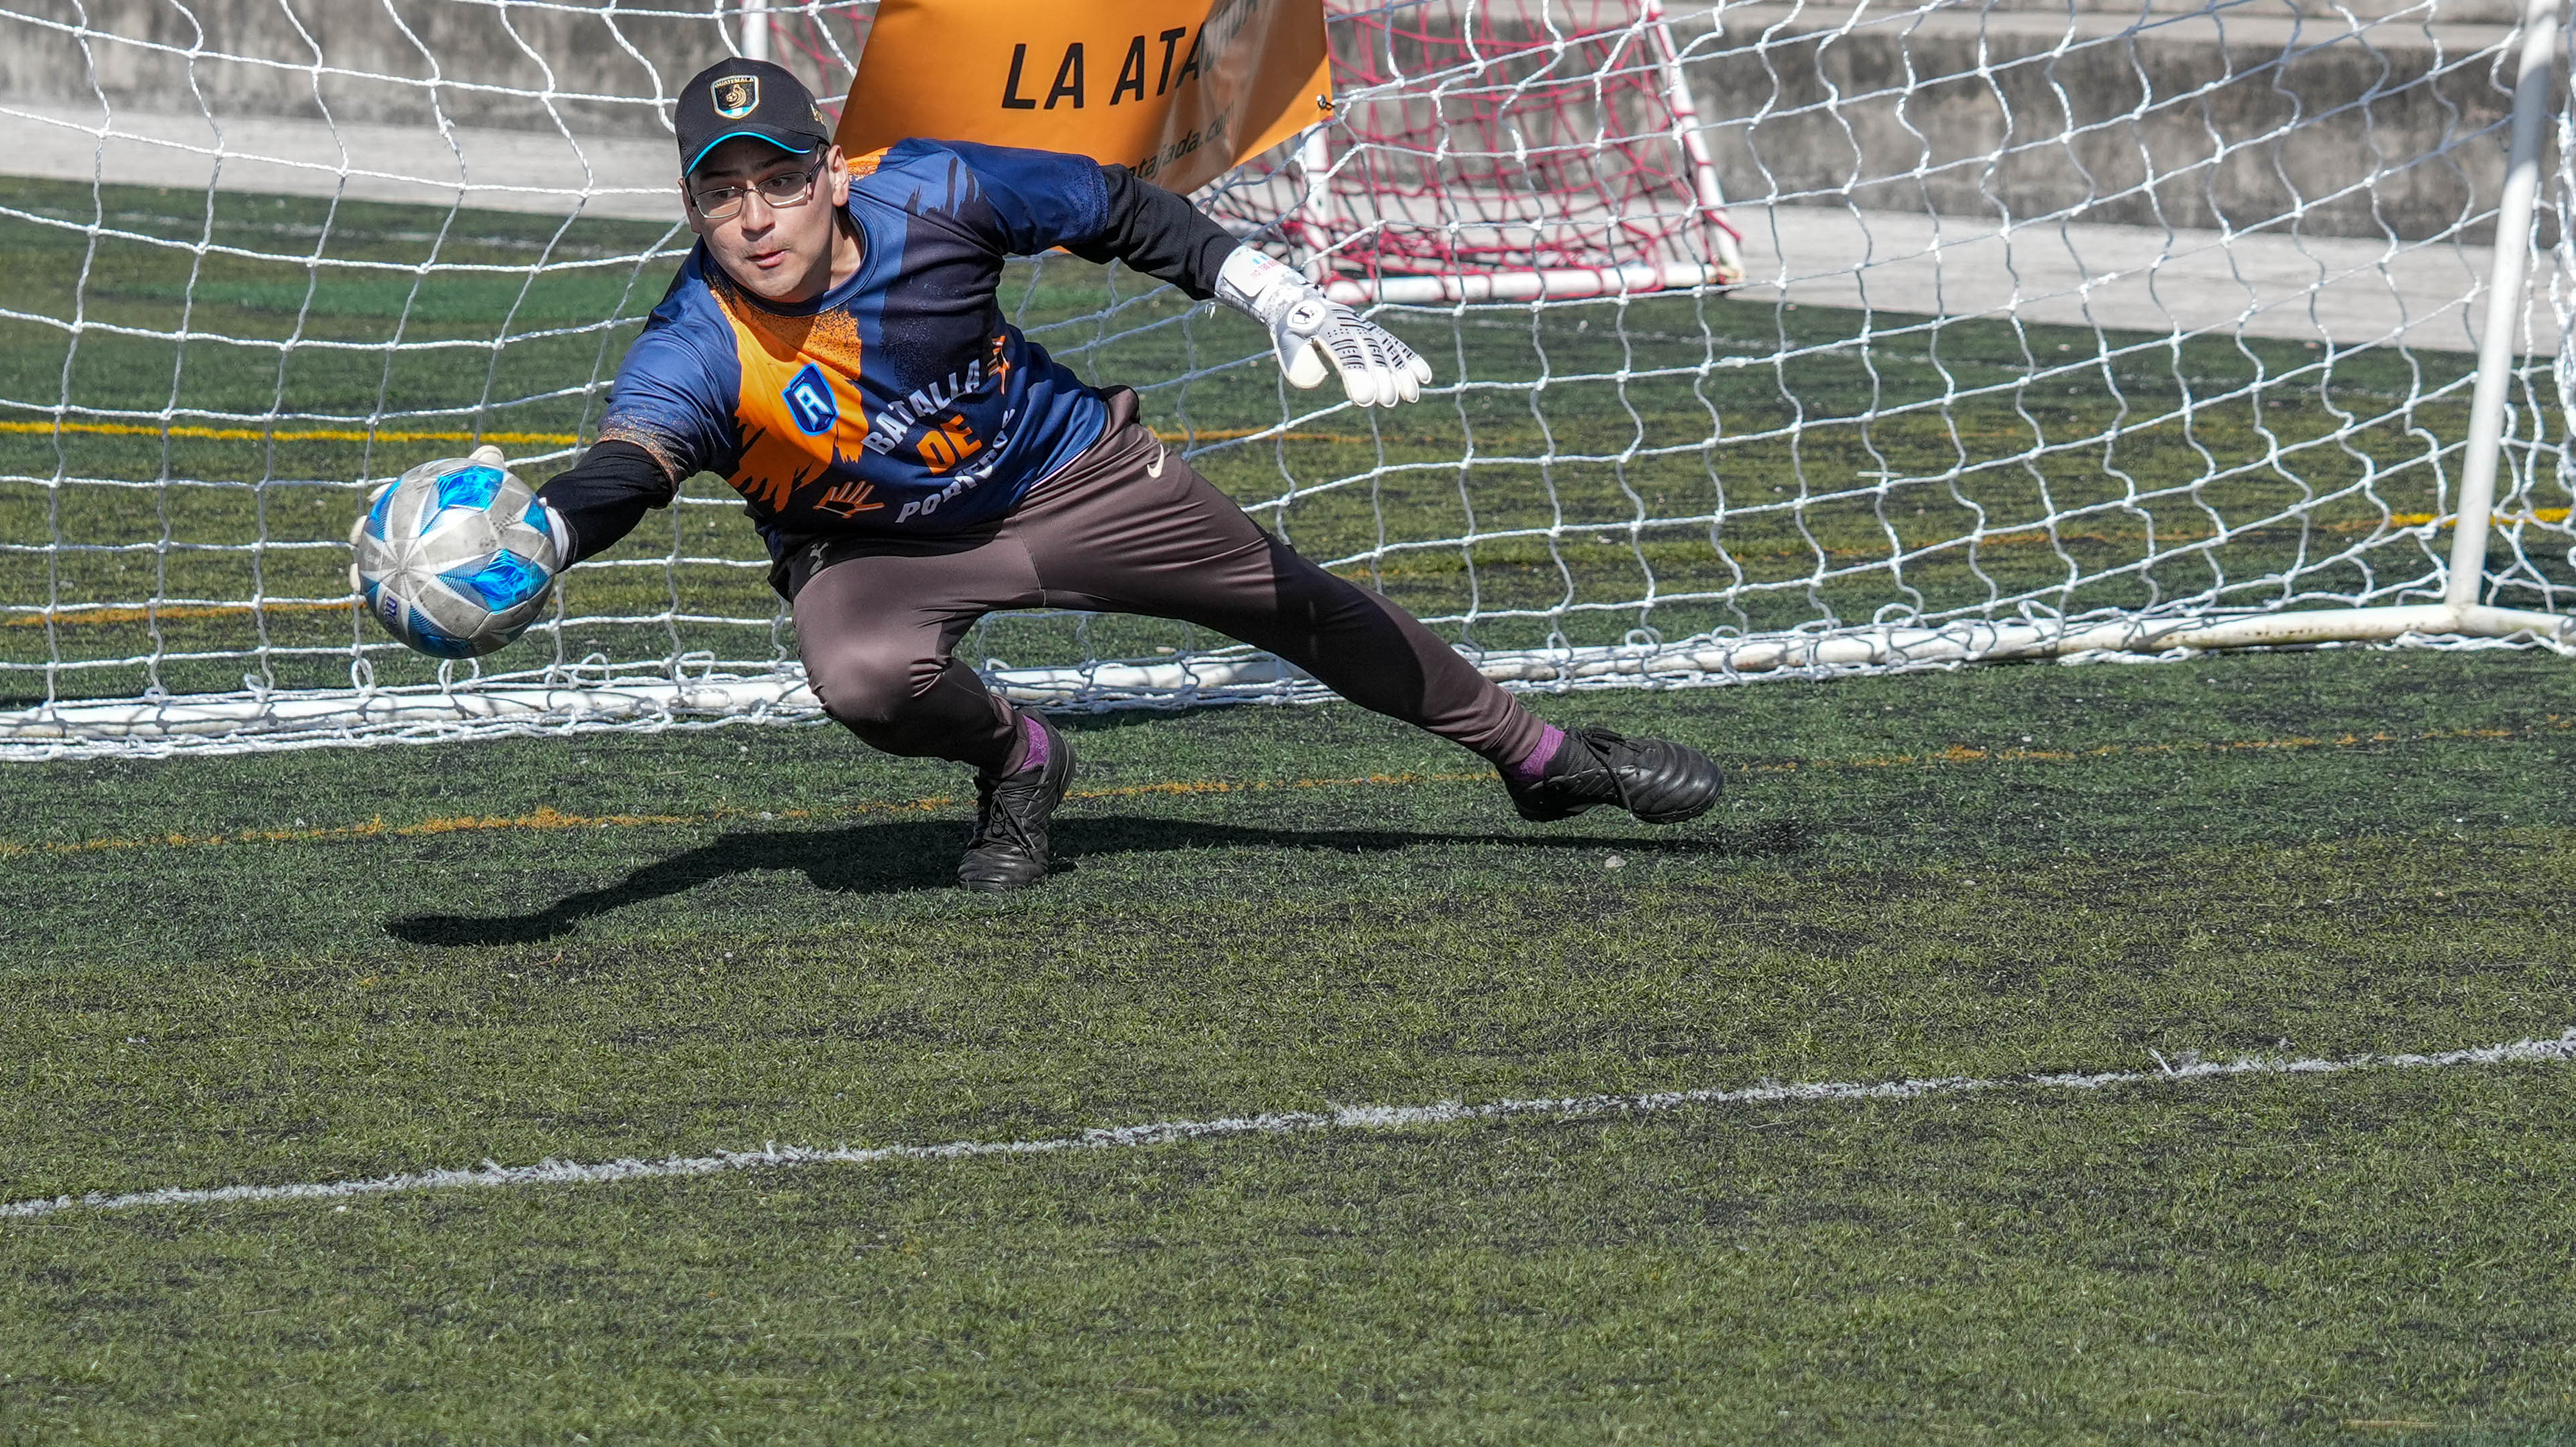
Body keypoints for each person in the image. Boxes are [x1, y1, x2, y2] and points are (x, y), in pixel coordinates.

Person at [517, 58, 1722, 891]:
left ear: (831, 171)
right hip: (878, 552)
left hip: (1069, 473)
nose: (757, 217)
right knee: (863, 675)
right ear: (692, 209)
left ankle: (1542, 759)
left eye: (780, 179)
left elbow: (1111, 205)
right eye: (723, 195)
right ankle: (1018, 762)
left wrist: (1266, 288)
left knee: (1294, 602)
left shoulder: (933, 187)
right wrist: (547, 536)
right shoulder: (694, 337)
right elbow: (633, 466)